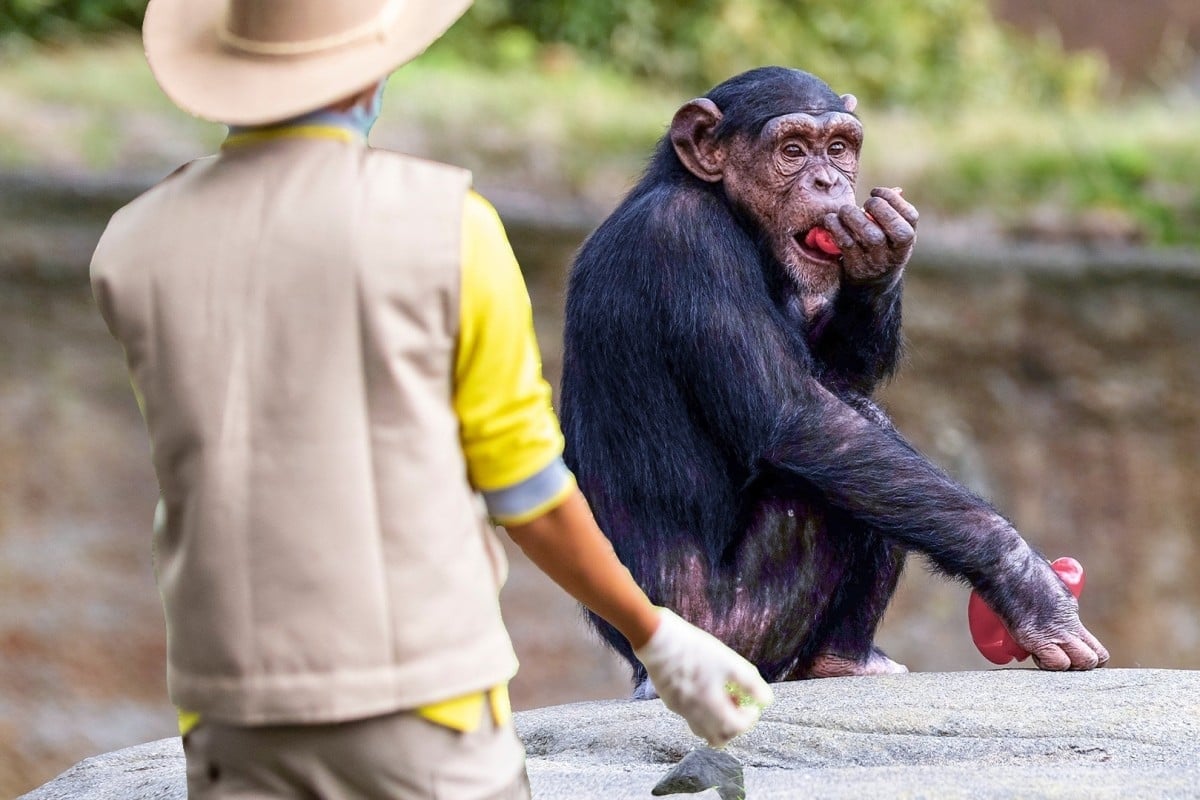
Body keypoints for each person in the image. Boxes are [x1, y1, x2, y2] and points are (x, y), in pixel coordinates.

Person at [89, 1, 773, 798]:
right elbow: (527, 491)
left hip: (227, 706)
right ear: (371, 68)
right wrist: (656, 637)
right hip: (421, 705)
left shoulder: (131, 245)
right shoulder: (449, 227)